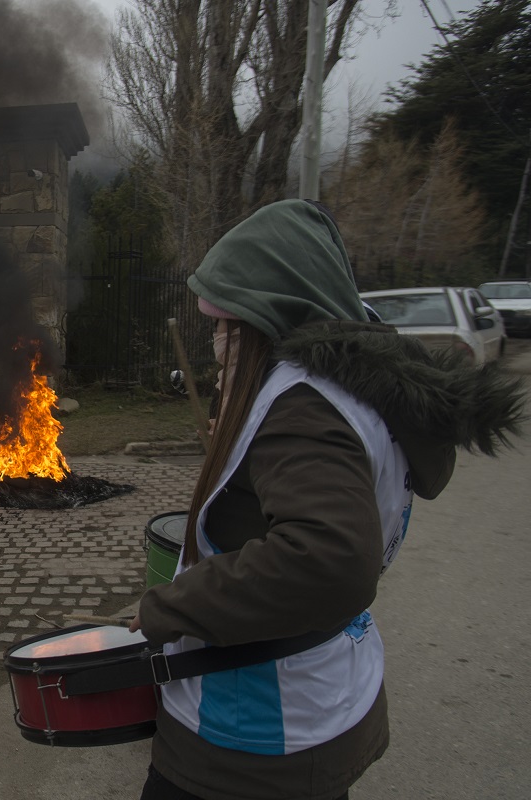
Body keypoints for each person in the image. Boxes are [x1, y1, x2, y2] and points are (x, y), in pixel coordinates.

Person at [129, 199, 524, 800]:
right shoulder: (355, 379)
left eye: (222, 322)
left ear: (266, 314)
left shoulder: (304, 406)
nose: (215, 338)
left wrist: (169, 607)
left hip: (253, 726)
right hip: (319, 692)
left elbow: (326, 558)